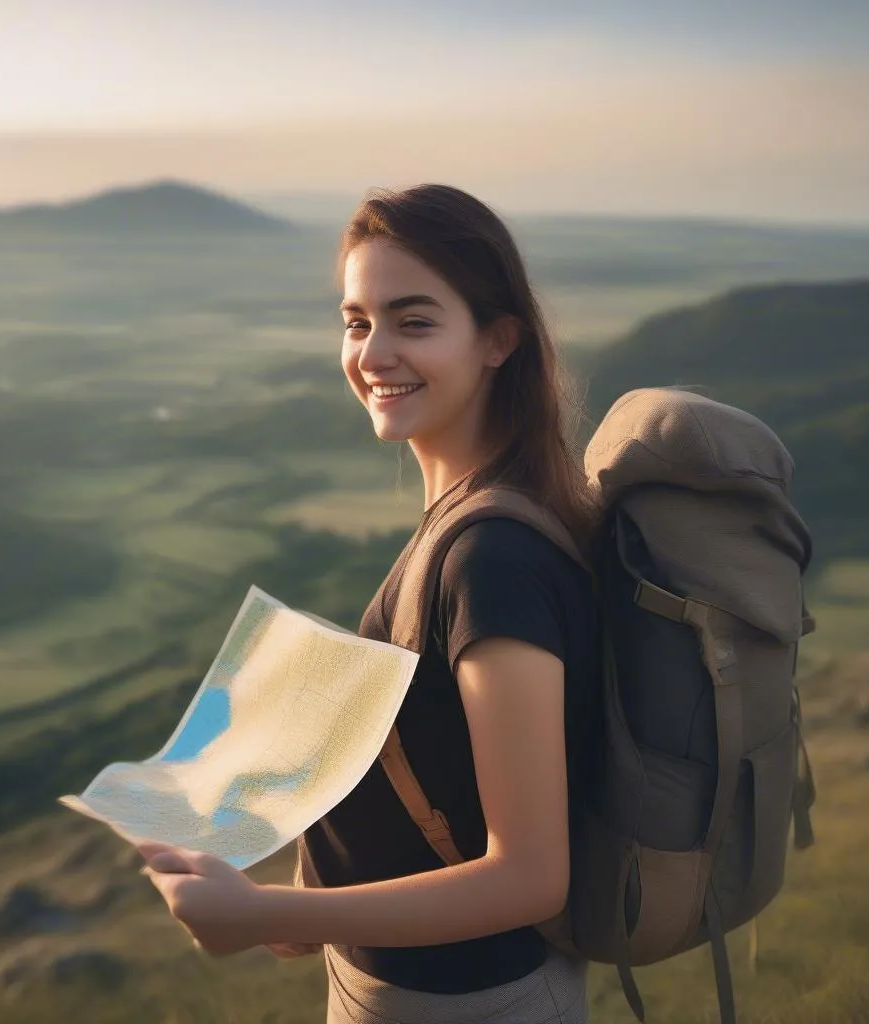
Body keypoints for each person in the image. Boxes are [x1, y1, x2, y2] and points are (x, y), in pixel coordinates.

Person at [138, 184, 603, 1024]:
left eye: (414, 321)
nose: (374, 352)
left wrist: (271, 915)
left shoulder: (491, 559)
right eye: (357, 321)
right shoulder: (475, 516)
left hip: (467, 1004)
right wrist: (311, 906)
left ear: (499, 340)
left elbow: (530, 875)